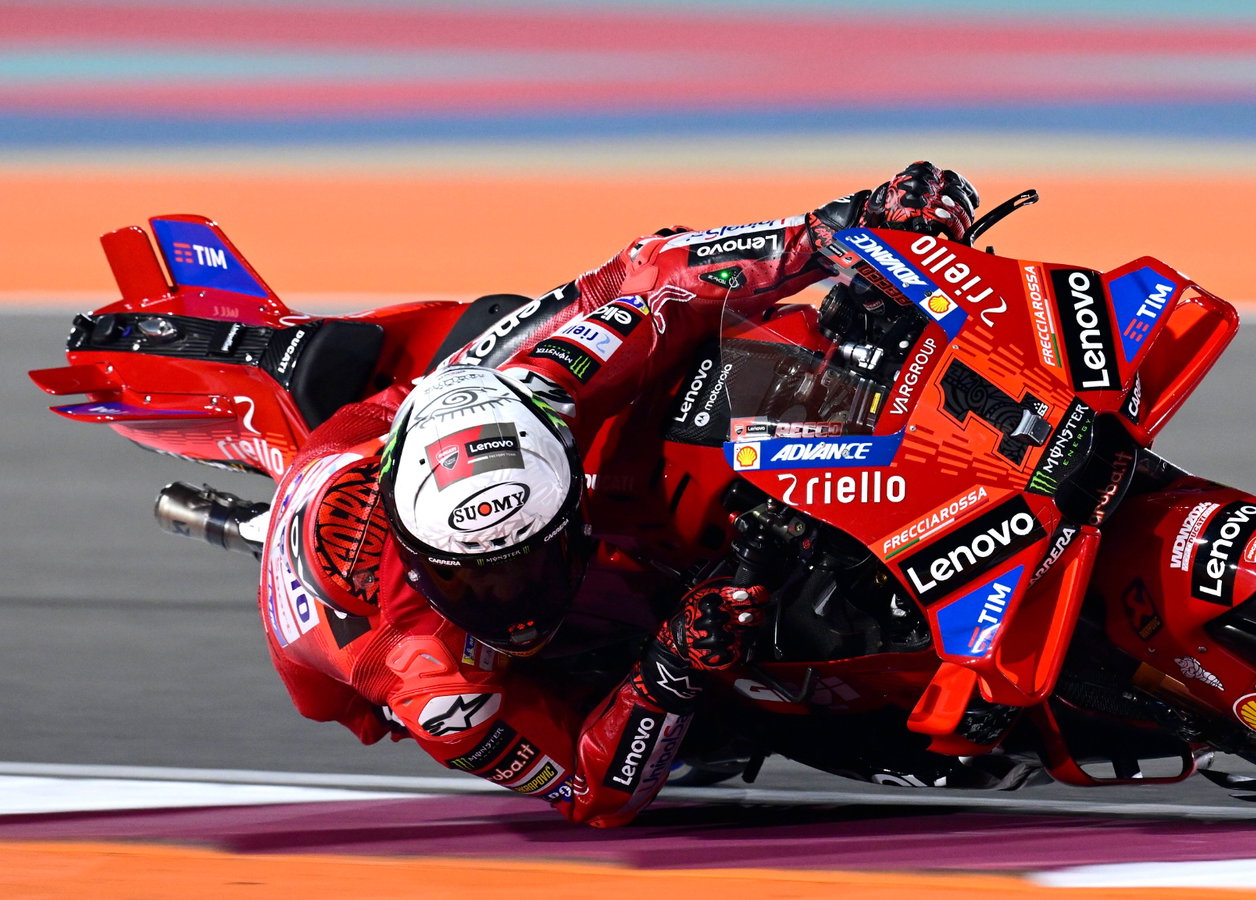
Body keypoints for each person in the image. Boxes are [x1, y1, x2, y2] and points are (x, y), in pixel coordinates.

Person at [257, 162, 980, 827]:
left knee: (629, 317)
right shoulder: (435, 685)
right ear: (420, 556)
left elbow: (652, 274)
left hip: (427, 412)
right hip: (361, 563)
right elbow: (589, 794)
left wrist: (840, 231)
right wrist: (669, 670)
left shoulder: (542, 390)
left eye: (528, 565)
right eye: (479, 581)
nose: (516, 600)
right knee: (682, 666)